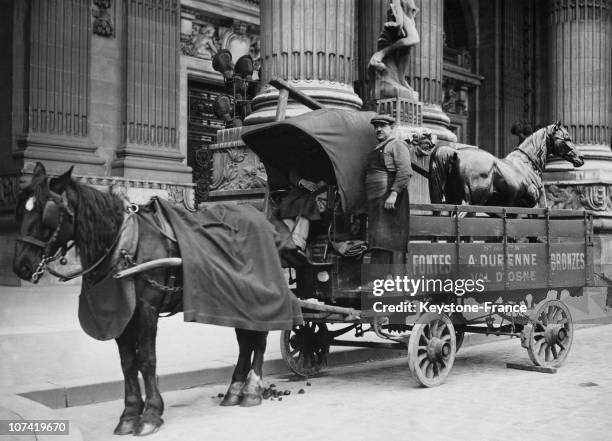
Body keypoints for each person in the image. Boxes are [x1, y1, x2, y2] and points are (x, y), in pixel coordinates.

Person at [365, 114, 412, 265]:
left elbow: (405, 171)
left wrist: (393, 194)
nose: (378, 129)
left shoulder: (396, 145)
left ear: (391, 128)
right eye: (376, 126)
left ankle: (381, 280)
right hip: (375, 200)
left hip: (389, 199)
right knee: (376, 239)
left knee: (384, 240)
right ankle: (378, 280)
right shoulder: (376, 148)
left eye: (383, 126)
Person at [278, 164, 333, 252]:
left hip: (321, 192)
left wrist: (320, 184)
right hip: (300, 192)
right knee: (286, 206)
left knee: (306, 209)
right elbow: (294, 173)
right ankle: (287, 243)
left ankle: (298, 244)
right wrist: (304, 182)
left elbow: (332, 175)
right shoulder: (301, 158)